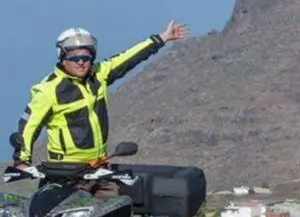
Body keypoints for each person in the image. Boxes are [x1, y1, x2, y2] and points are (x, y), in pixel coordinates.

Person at [12, 22, 189, 197]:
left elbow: (129, 58)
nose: (81, 63)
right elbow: (29, 126)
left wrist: (162, 38)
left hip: (99, 169)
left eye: (86, 58)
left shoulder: (99, 74)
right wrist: (22, 161)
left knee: (116, 215)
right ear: (62, 58)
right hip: (65, 173)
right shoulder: (48, 90)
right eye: (74, 58)